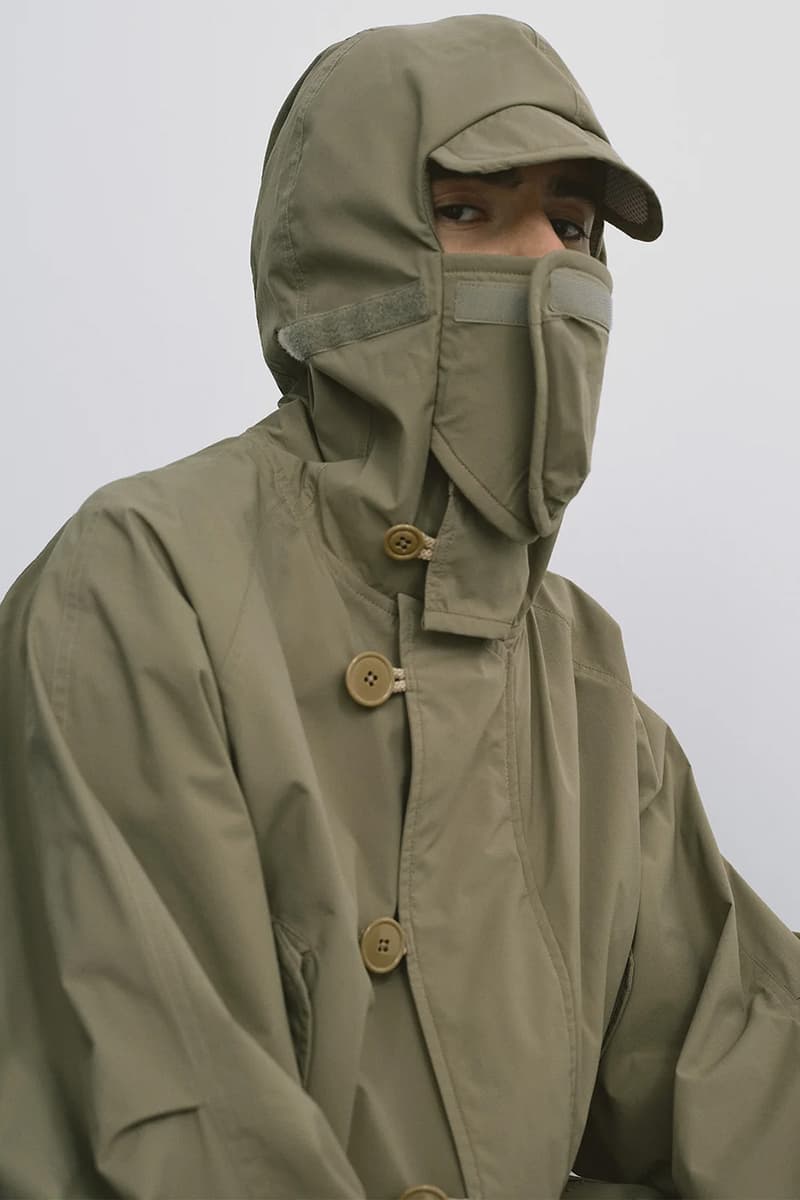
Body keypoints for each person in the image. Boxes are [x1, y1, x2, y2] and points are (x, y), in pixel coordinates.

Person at [0, 13, 798, 1200]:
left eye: (570, 226)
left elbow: (737, 1064)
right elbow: (174, 1125)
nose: (544, 265)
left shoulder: (580, 673)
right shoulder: (141, 585)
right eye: (466, 210)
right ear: (347, 252)